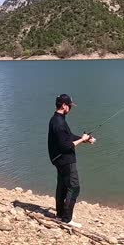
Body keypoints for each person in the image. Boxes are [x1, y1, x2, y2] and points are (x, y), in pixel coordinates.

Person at [48, 93, 95, 227]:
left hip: (58, 159)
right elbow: (66, 145)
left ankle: (60, 214)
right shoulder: (59, 123)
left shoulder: (56, 119)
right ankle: (67, 219)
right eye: (70, 106)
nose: (71, 108)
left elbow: (68, 137)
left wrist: (84, 139)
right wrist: (82, 139)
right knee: (74, 187)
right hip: (65, 160)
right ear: (64, 105)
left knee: (62, 186)